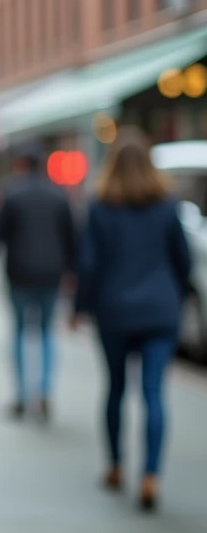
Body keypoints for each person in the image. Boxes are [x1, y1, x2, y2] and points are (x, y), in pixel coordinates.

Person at [71, 128, 192, 512]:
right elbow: (183, 260)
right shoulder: (166, 204)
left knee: (116, 390)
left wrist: (79, 307)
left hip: (115, 311)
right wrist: (178, 295)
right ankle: (152, 474)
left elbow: (88, 265)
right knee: (155, 393)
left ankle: (116, 466)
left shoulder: (101, 206)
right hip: (160, 310)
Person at [0, 144, 76, 420]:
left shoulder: (12, 193)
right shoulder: (59, 195)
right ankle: (43, 390)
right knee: (45, 332)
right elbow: (72, 238)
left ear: (21, 164)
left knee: (19, 331)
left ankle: (20, 395)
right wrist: (72, 273)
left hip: (19, 273)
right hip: (51, 274)